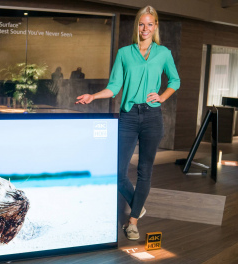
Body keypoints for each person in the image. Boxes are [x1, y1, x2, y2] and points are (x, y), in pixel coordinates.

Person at [75, 6, 180, 240]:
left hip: (152, 116)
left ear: (155, 27)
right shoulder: (124, 53)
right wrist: (93, 96)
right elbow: (114, 86)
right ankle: (137, 204)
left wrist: (162, 96)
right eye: (141, 24)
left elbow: (175, 80)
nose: (145, 28)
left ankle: (132, 222)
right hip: (129, 116)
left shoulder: (163, 53)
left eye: (150, 24)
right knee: (118, 170)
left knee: (145, 172)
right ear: (137, 27)